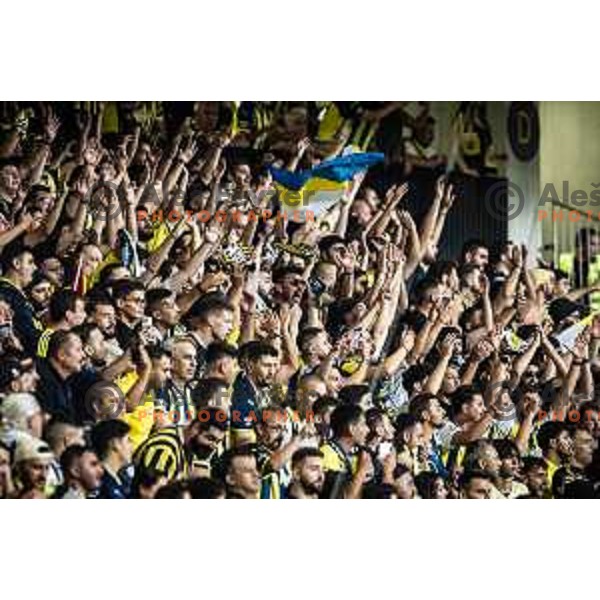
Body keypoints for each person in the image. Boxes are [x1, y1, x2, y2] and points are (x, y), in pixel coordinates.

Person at [90, 419, 133, 499]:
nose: (131, 446)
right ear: (115, 443)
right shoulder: (97, 482)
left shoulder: (125, 478)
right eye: (128, 440)